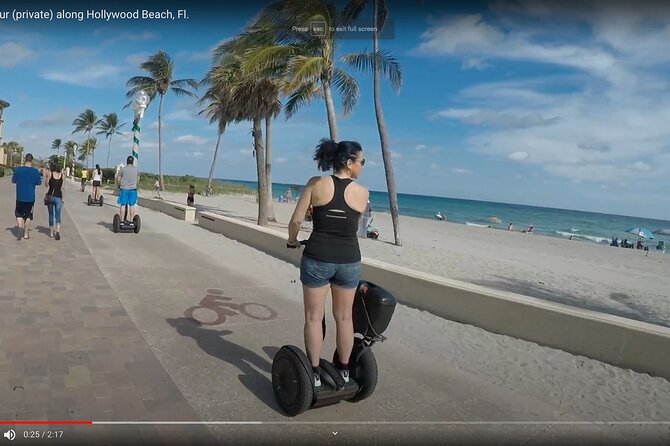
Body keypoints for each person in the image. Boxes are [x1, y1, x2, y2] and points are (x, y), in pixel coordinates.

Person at [287, 138, 369, 388]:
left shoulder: (315, 184)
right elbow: (349, 223)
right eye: (361, 161)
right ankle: (344, 371)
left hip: (317, 257)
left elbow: (296, 221)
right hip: (348, 261)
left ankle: (312, 373)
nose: (362, 166)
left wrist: (292, 241)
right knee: (344, 318)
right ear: (348, 162)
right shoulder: (363, 193)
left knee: (313, 317)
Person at [11, 153, 42, 240]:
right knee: (28, 215)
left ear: (25, 159)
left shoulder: (18, 170)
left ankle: (20, 226)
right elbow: (39, 183)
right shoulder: (35, 171)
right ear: (31, 160)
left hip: (20, 196)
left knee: (18, 213)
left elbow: (13, 181)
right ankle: (26, 234)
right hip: (30, 197)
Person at [116, 156, 139, 223]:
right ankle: (131, 221)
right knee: (132, 205)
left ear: (127, 161)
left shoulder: (123, 169)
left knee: (123, 204)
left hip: (124, 189)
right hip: (133, 189)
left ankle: (122, 220)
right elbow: (137, 180)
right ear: (132, 162)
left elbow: (118, 179)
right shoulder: (136, 170)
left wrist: (119, 186)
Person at [46, 163, 64, 240]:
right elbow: (62, 188)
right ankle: (58, 231)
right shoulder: (62, 175)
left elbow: (46, 185)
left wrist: (46, 178)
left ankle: (51, 232)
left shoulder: (50, 174)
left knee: (51, 215)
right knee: (58, 215)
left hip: (50, 196)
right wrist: (63, 198)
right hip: (59, 197)